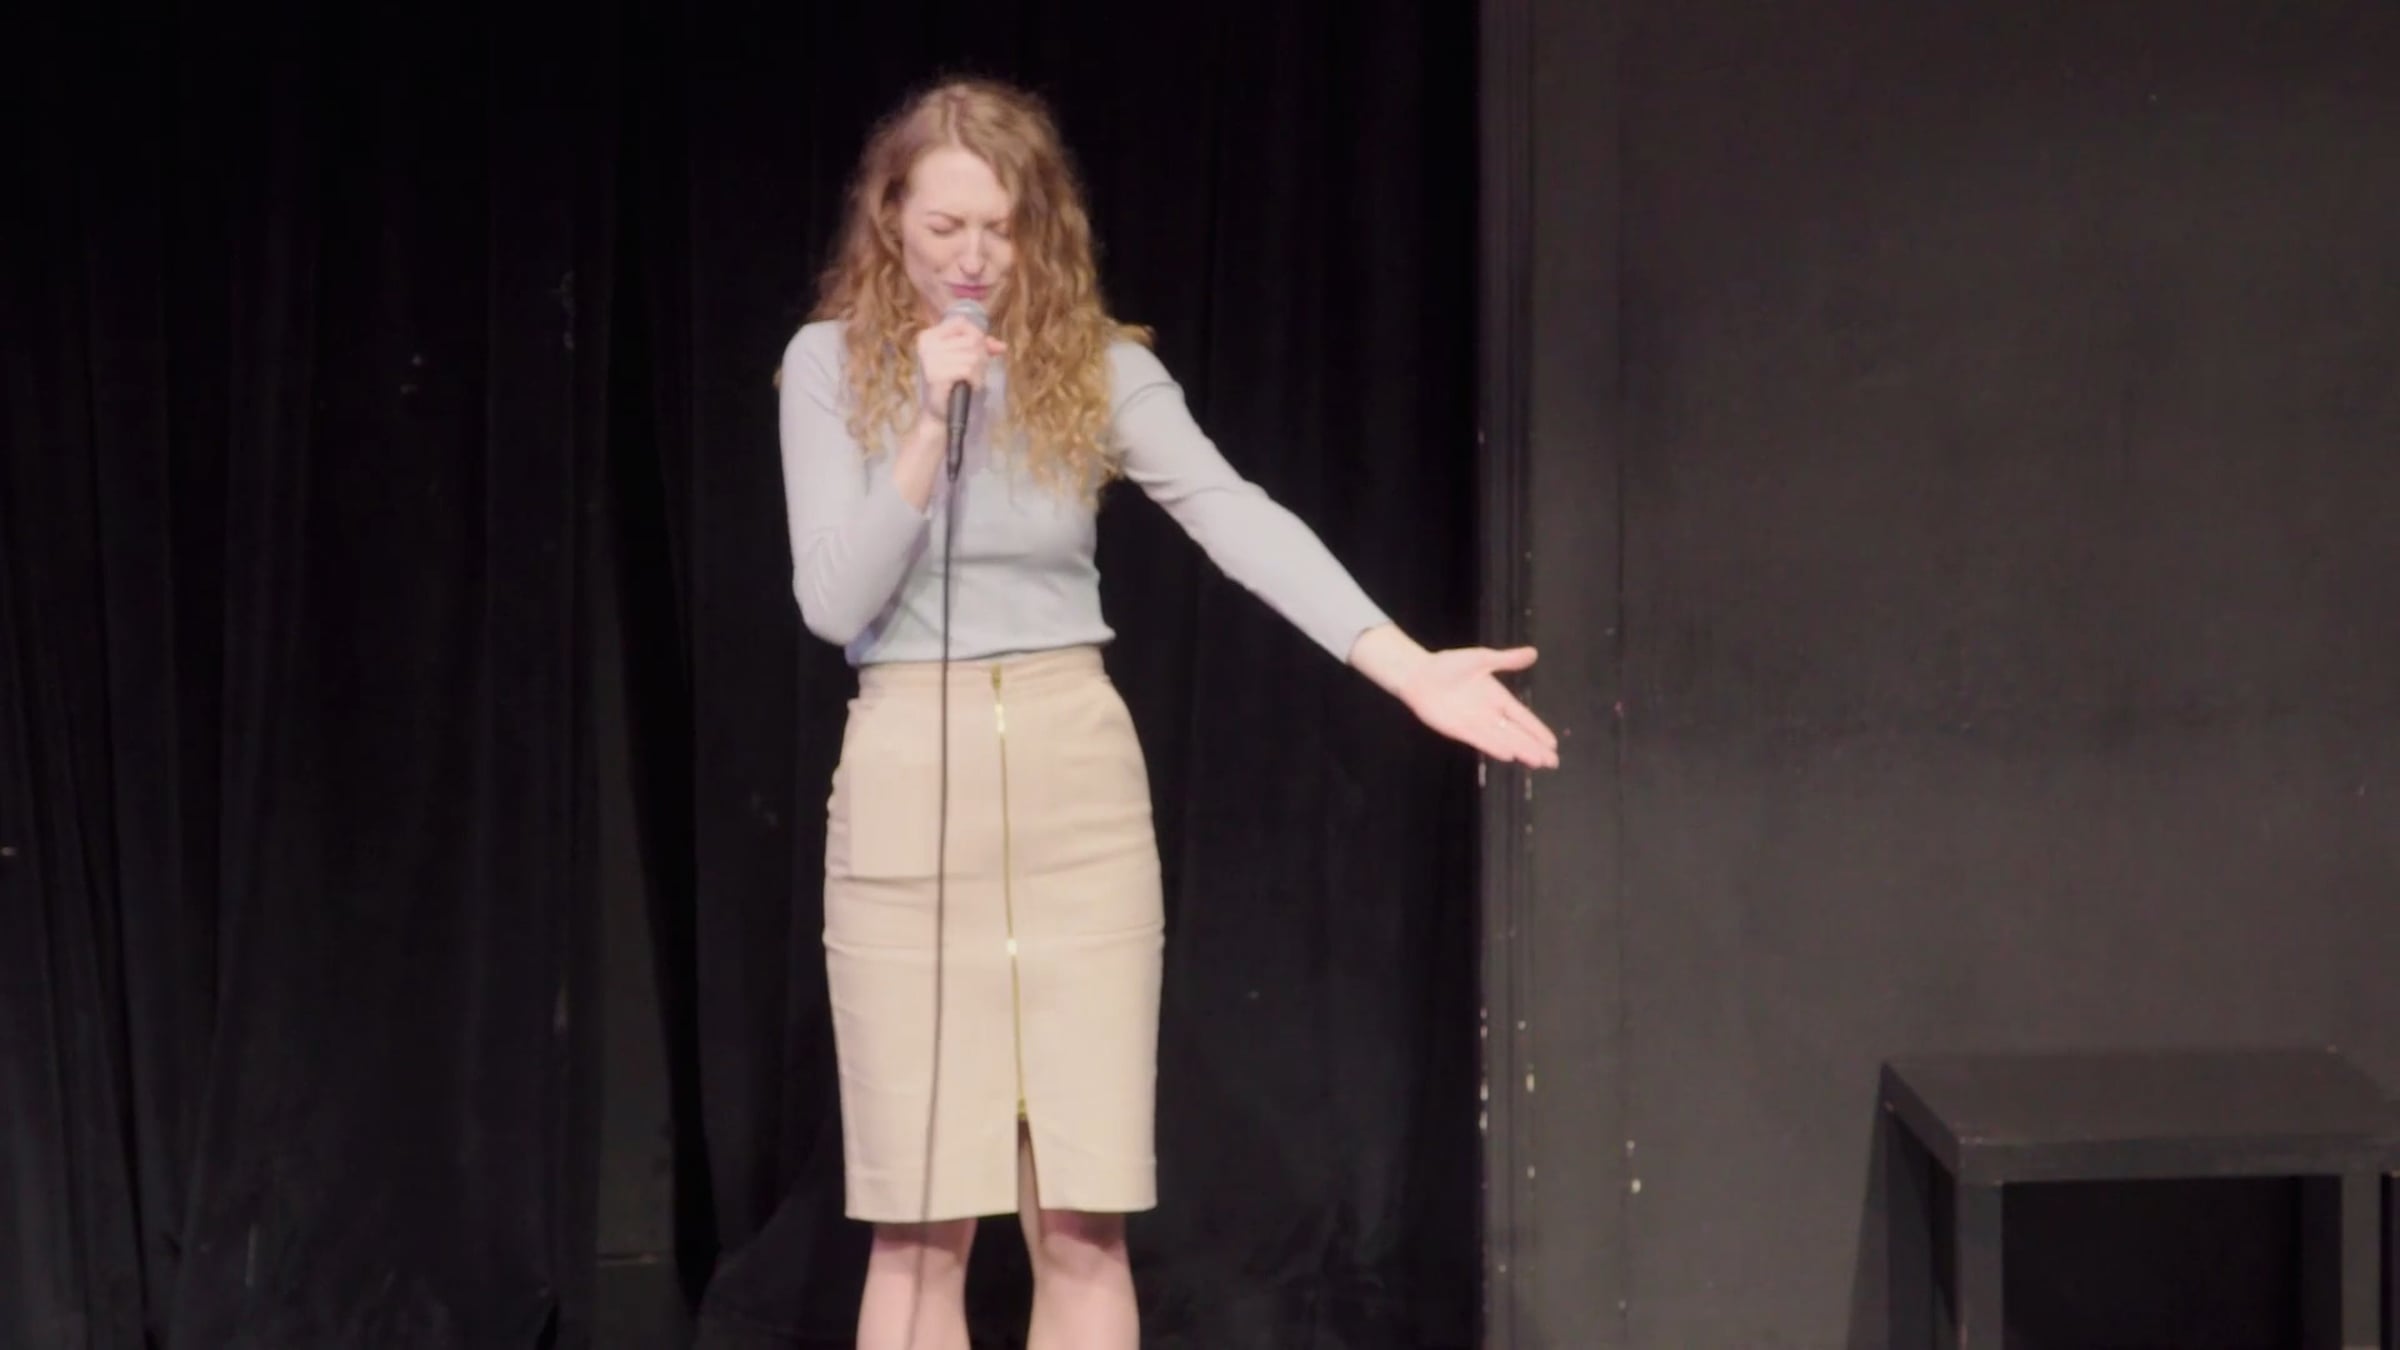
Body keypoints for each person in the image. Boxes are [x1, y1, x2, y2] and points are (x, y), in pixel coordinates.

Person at [776, 76, 1559, 1350]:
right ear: (890, 220)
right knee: (918, 1230)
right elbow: (832, 600)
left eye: (1001, 228)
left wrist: (1405, 664)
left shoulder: (1098, 366)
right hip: (909, 779)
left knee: (1081, 1220)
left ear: (1040, 227)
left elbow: (1235, 514)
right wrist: (922, 425)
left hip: (1075, 787)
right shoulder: (827, 366)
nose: (973, 259)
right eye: (944, 227)